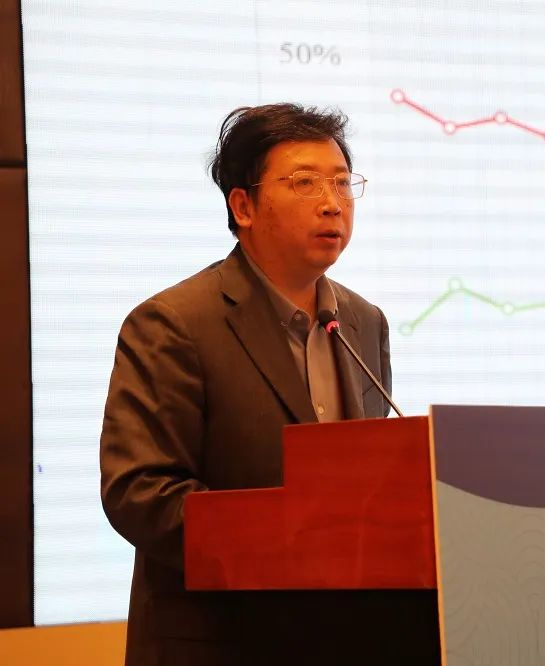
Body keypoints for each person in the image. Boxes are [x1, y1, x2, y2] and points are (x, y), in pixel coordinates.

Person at [99, 104, 438, 665]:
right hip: (226, 641)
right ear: (243, 206)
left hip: (351, 640)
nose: (332, 202)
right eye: (304, 183)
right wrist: (291, 540)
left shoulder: (364, 322)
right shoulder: (174, 324)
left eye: (342, 183)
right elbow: (139, 492)